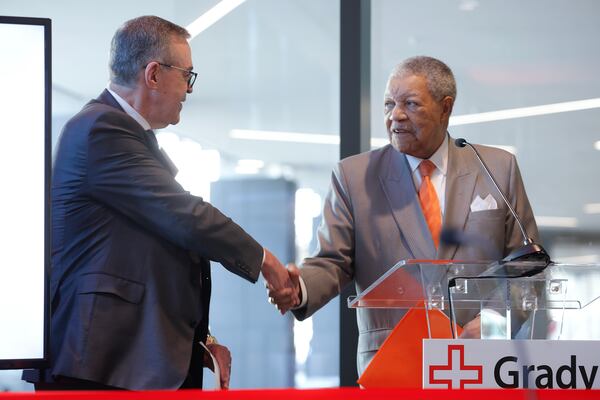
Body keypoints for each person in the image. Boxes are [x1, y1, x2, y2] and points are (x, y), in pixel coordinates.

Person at [23, 15, 296, 391]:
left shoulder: (124, 135)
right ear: (153, 74)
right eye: (187, 75)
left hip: (118, 361)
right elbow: (183, 216)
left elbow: (151, 254)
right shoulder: (100, 129)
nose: (189, 89)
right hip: (97, 363)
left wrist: (203, 339)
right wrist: (265, 260)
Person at [269, 56, 540, 375]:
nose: (395, 116)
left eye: (410, 104)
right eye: (388, 104)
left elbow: (528, 267)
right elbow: (331, 261)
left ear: (446, 108)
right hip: (392, 365)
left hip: (481, 362)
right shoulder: (354, 177)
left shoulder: (496, 168)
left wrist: (494, 325)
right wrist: (299, 289)